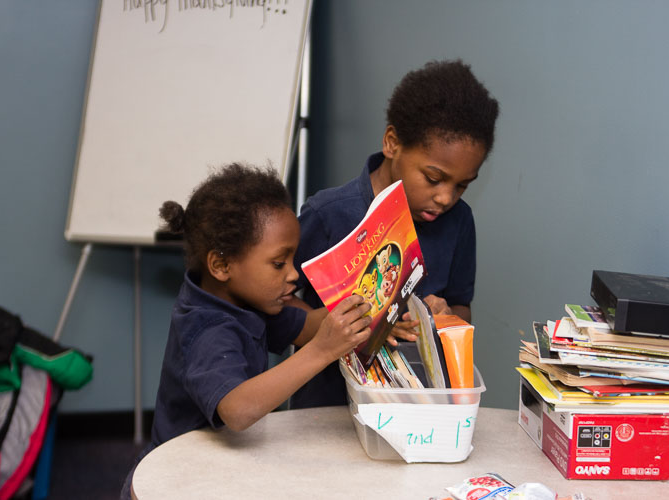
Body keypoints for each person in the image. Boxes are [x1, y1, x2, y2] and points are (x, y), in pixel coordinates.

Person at [120, 163, 371, 498]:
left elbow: (308, 328)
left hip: (223, 464)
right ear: (222, 265)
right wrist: (323, 350)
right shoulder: (208, 327)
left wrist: (363, 311)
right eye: (279, 263)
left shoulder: (246, 296)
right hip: (179, 479)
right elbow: (237, 410)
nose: (294, 274)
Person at [290, 59, 500, 409]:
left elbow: (462, 308)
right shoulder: (328, 214)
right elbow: (276, 305)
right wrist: (345, 328)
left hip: (416, 412)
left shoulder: (459, 221)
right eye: (433, 178)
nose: (446, 197)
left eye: (462, 185)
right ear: (392, 143)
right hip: (324, 410)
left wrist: (444, 318)